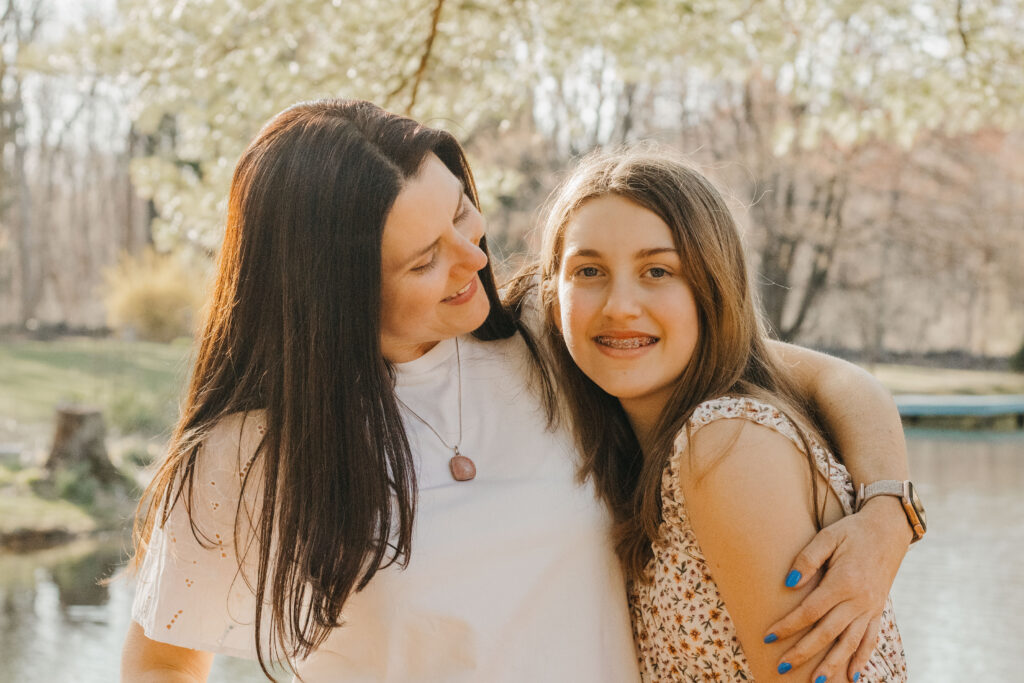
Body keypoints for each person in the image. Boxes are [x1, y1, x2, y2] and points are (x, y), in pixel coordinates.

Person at [122, 100, 916, 682]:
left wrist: (887, 510)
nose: (473, 262)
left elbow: (814, 375)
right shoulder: (247, 453)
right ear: (332, 291)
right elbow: (161, 661)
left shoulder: (550, 332)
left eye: (465, 218)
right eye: (424, 259)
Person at [531, 148, 915, 682]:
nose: (619, 304)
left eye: (658, 270)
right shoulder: (660, 444)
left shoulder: (726, 444)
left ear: (712, 289)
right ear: (552, 296)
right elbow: (837, 377)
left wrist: (891, 508)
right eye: (589, 270)